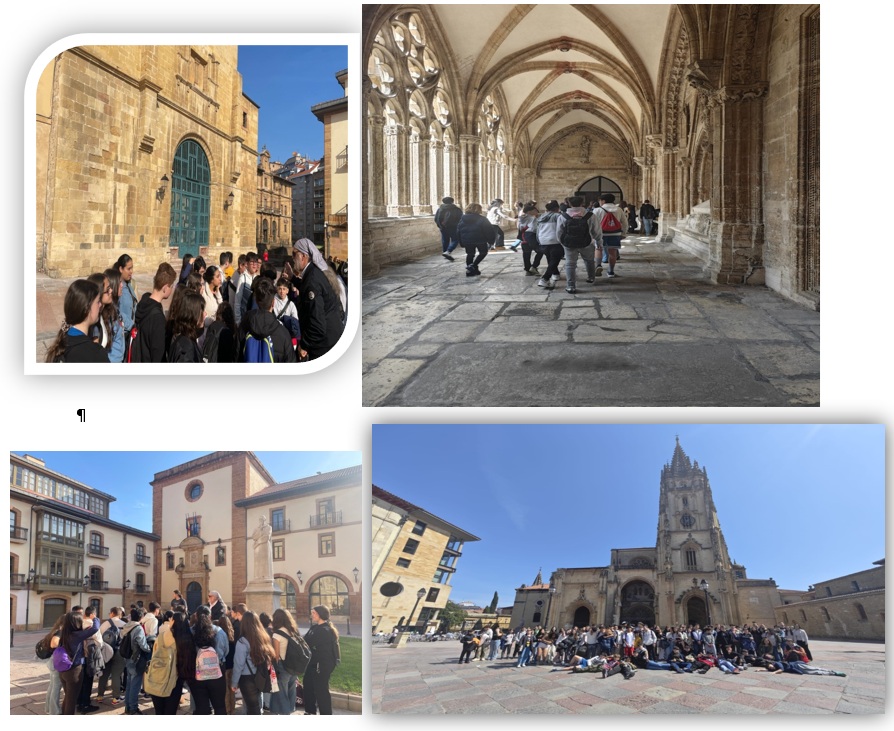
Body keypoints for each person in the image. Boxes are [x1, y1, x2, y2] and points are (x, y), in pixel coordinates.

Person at [292, 239, 346, 360]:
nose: (292, 258)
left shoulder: (312, 280)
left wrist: (304, 345)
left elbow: (317, 325)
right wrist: (293, 278)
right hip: (332, 337)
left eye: (294, 254)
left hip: (324, 346)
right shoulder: (314, 272)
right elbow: (307, 289)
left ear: (303, 256)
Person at [45, 279, 109, 362]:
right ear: (86, 309)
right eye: (98, 302)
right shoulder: (96, 354)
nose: (100, 305)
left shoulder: (61, 343)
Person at [238, 277, 296, 362]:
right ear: (273, 303)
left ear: (256, 301)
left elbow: (236, 357)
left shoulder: (244, 327)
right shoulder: (284, 334)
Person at [232, 610, 276, 715]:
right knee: (257, 705)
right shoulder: (263, 637)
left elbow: (239, 664)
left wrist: (234, 682)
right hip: (260, 675)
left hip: (247, 678)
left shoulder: (242, 641)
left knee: (252, 708)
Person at [56, 610, 101, 715]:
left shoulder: (63, 633)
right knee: (71, 701)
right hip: (74, 671)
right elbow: (95, 628)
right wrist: (95, 618)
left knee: (68, 697)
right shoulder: (77, 635)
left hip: (63, 669)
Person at [131, 262, 176, 362]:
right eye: (172, 286)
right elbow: (158, 355)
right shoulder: (158, 318)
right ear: (165, 288)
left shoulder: (144, 301)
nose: (172, 289)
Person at [556, 195, 601, 294]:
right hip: (587, 242)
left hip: (569, 243)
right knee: (589, 261)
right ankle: (591, 278)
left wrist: (563, 243)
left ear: (569, 204)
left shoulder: (563, 216)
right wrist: (598, 242)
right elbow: (597, 231)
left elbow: (559, 232)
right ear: (582, 203)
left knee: (570, 264)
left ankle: (571, 286)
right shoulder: (590, 215)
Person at [303, 605, 341, 715]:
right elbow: (305, 641)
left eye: (314, 613)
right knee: (308, 686)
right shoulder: (314, 628)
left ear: (320, 614)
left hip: (322, 665)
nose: (312, 615)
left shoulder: (325, 630)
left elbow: (309, 642)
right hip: (313, 663)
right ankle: (310, 711)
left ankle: (326, 714)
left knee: (321, 690)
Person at [191, 604, 229, 714]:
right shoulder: (219, 631)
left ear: (196, 616)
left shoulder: (191, 631)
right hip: (217, 671)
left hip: (197, 672)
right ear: (210, 616)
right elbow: (225, 651)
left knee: (202, 708)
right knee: (220, 706)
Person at [87, 272, 124, 362]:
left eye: (110, 287)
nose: (111, 291)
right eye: (107, 290)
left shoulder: (107, 312)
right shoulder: (92, 321)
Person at [121, 607, 151, 715]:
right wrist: (150, 649)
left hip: (128, 657)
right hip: (136, 658)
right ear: (141, 617)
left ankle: (128, 707)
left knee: (129, 683)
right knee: (135, 685)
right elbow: (142, 645)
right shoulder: (138, 628)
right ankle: (133, 708)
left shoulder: (126, 626)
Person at [455, 202, 496, 277]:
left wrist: (461, 241)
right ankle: (473, 265)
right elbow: (489, 230)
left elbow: (458, 231)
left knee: (470, 254)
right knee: (483, 252)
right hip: (480, 240)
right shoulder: (482, 219)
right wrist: (491, 241)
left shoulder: (462, 219)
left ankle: (470, 270)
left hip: (467, 240)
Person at [593, 193, 628, 278]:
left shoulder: (597, 210)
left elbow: (593, 223)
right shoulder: (619, 209)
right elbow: (625, 222)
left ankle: (598, 265)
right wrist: (623, 233)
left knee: (598, 249)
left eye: (600, 200)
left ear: (603, 201)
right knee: (613, 252)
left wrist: (592, 234)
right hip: (615, 233)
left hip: (601, 234)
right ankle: (611, 272)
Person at [167, 290, 205, 362]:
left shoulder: (184, 338)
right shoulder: (186, 346)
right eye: (202, 310)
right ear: (193, 314)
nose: (205, 314)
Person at [116, 254, 137, 350]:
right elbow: (117, 312)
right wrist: (131, 325)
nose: (131, 271)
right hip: (123, 334)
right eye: (128, 269)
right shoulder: (117, 288)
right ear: (121, 269)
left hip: (131, 333)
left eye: (132, 268)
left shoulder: (129, 284)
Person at [518, 202, 543, 276]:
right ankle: (534, 266)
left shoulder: (522, 218)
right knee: (541, 250)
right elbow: (534, 228)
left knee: (526, 254)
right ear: (529, 212)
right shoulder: (531, 218)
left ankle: (528, 270)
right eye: (535, 210)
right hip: (530, 236)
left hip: (524, 238)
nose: (537, 212)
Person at [434, 196, 463, 261]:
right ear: (452, 201)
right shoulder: (456, 209)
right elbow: (461, 219)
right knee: (455, 239)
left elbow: (436, 218)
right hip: (453, 227)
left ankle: (445, 252)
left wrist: (440, 226)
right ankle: (448, 251)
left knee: (445, 240)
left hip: (443, 227)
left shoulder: (440, 209)